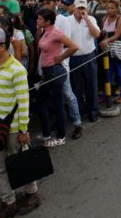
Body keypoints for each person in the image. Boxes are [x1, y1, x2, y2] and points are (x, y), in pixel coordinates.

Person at [0, 27, 40, 217]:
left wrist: (24, 130)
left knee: (20, 163)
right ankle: (9, 201)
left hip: (14, 128)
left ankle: (32, 193)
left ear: (2, 46)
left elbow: (24, 102)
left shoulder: (17, 70)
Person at [36, 8, 79, 147]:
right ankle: (47, 133)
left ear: (48, 21)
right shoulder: (46, 32)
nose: (38, 21)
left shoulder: (55, 32)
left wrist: (60, 58)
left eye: (40, 19)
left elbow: (73, 46)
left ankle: (60, 136)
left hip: (55, 71)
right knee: (41, 101)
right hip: (48, 71)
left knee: (58, 104)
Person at [67, 0, 100, 133]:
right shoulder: (67, 21)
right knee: (76, 87)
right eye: (78, 7)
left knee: (91, 84)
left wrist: (86, 19)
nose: (81, 10)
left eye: (83, 8)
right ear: (73, 8)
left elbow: (97, 34)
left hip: (88, 55)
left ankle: (93, 110)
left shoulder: (91, 19)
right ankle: (78, 111)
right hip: (73, 58)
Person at [99, 0, 121, 104]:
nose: (109, 10)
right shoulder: (104, 19)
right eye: (108, 8)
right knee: (108, 72)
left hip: (118, 49)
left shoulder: (120, 19)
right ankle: (106, 95)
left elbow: (117, 35)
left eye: (112, 8)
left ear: (117, 9)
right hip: (107, 50)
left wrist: (106, 40)